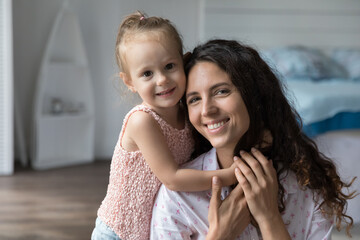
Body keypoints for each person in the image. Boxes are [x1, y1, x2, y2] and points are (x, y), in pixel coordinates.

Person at [150, 39, 356, 239]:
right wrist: (220, 235)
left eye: (221, 91)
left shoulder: (306, 187)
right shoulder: (178, 198)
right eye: (194, 99)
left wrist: (270, 219)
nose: (206, 110)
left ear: (254, 97)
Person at [92, 12, 236, 240]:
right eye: (147, 73)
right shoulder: (143, 121)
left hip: (151, 230)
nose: (162, 80)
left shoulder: (187, 112)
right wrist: (228, 176)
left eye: (169, 66)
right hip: (117, 233)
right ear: (130, 82)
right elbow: (173, 178)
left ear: (184, 62)